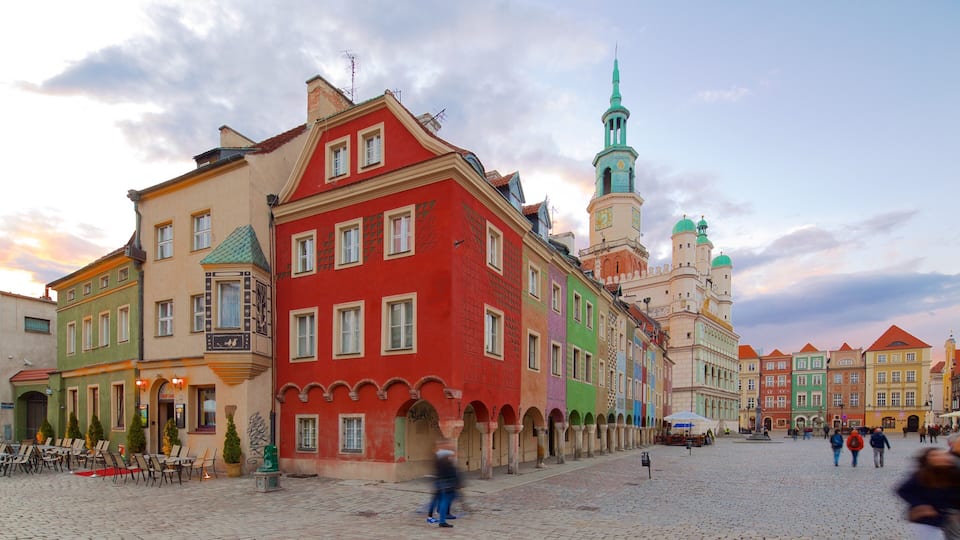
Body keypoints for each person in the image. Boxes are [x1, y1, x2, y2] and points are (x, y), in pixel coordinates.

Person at [895, 447, 960, 539]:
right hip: (925, 519)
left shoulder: (952, 473)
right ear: (928, 459)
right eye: (935, 456)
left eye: (943, 455)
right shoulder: (922, 474)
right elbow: (903, 490)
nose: (940, 458)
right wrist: (920, 505)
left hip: (946, 516)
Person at [434, 445, 461, 529]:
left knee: (444, 501)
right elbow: (452, 473)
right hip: (447, 484)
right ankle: (442, 520)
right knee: (445, 501)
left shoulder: (440, 463)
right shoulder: (446, 463)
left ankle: (443, 515)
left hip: (443, 484)